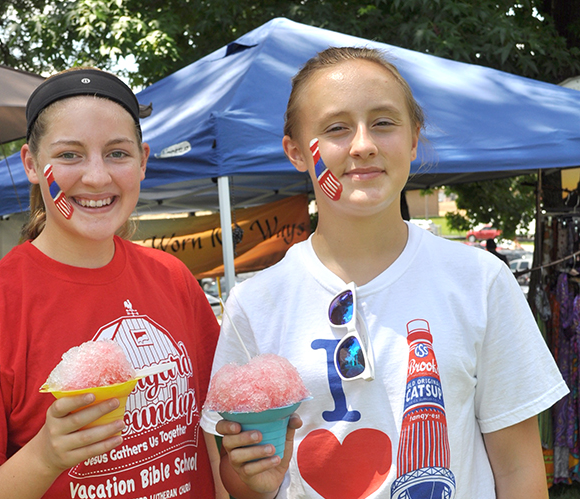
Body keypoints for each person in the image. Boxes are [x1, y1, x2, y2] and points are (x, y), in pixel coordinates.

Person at [201, 47, 568, 498]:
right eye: (336, 128)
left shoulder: (482, 281)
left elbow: (519, 472)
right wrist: (253, 482)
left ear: (414, 139)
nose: (363, 145)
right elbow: (231, 484)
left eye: (383, 122)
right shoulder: (254, 305)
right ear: (296, 151)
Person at [0, 68, 223, 499]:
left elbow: (209, 436)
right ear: (32, 165)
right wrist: (45, 455)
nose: (96, 177)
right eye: (69, 155)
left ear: (143, 161)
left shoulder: (173, 278)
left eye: (117, 154)